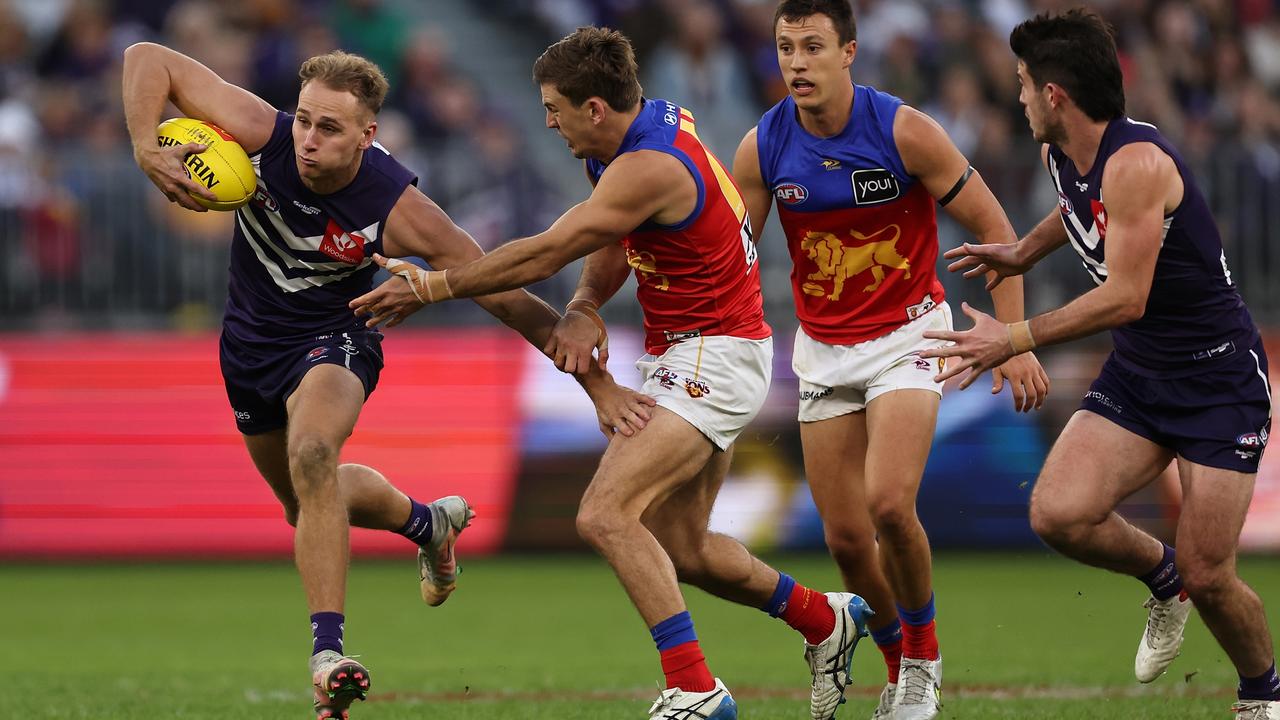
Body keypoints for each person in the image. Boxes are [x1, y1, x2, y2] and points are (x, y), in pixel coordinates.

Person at [351, 26, 871, 720]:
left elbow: (550, 249)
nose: (546, 121)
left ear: (595, 107)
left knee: (603, 514)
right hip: (695, 348)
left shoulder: (647, 164)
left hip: (712, 353)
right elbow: (615, 234)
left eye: (553, 108)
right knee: (684, 548)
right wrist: (586, 302)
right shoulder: (635, 138)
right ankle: (821, 619)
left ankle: (694, 686)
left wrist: (431, 286)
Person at [122, 43, 648, 720]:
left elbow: (503, 294)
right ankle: (427, 524)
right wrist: (145, 147)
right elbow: (145, 59)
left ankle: (328, 657)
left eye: (330, 129)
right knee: (306, 504)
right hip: (247, 349)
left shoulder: (395, 207)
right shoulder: (262, 132)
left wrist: (594, 384)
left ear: (367, 136)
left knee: (314, 453)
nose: (309, 140)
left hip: (335, 340)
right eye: (306, 121)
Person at [926, 8, 1279, 718]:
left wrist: (1016, 336)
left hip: (1217, 382)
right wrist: (1025, 250)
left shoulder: (1139, 164)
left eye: (1026, 86)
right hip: (1143, 374)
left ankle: (1262, 695)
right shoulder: (1066, 152)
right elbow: (1078, 208)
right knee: (1058, 513)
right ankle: (1162, 577)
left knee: (1216, 574)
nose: (1018, 97)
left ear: (1056, 95)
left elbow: (1125, 296)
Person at [728, 2, 1049, 718]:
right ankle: (897, 663)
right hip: (822, 350)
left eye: (813, 46)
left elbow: (999, 230)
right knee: (845, 540)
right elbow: (736, 259)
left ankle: (926, 664)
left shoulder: (904, 130)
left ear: (849, 52)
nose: (796, 62)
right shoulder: (762, 147)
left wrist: (1015, 335)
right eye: (785, 48)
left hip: (910, 338)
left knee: (887, 505)